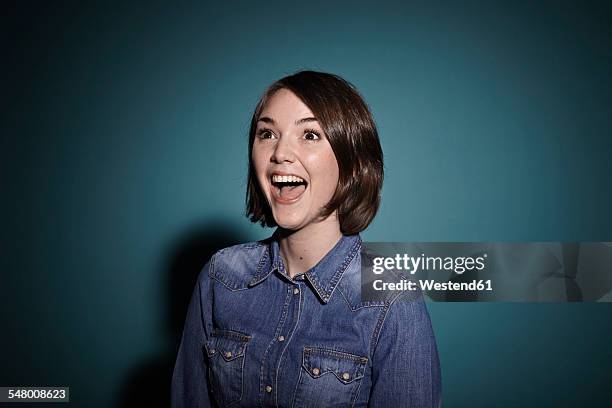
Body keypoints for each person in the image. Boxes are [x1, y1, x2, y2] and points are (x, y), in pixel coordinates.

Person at [171, 70, 442, 407]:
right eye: (267, 133)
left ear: (352, 162)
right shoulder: (220, 277)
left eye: (310, 135)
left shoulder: (392, 300)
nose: (280, 153)